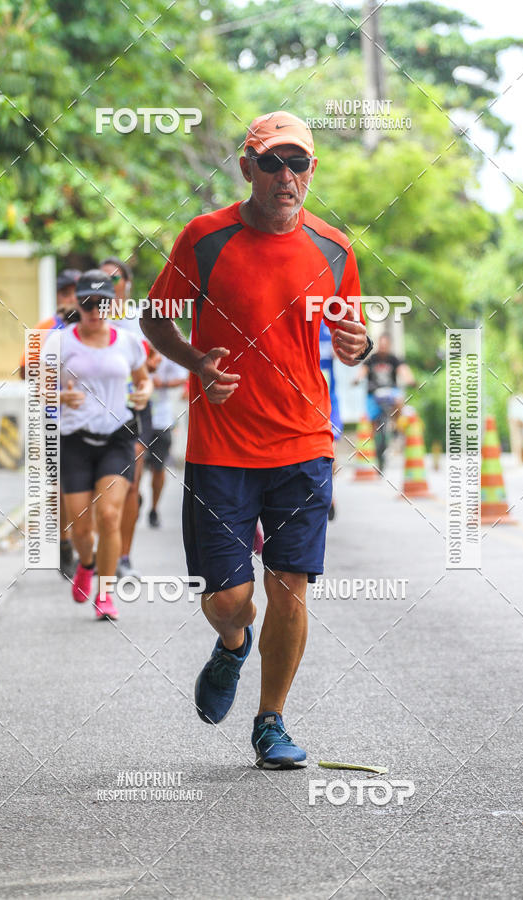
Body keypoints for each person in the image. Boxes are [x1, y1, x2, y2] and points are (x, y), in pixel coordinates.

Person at [141, 111, 371, 769]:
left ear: (311, 172)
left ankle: (271, 721)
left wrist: (362, 344)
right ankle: (233, 643)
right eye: (271, 163)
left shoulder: (334, 249)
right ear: (247, 168)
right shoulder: (205, 239)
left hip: (304, 445)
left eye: (297, 163)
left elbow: (351, 336)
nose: (285, 176)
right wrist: (194, 361)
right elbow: (155, 321)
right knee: (228, 599)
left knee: (291, 586)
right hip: (221, 450)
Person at [47, 269, 152, 620]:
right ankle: (86, 565)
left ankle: (105, 594)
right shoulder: (60, 343)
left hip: (117, 438)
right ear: (77, 304)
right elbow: (38, 388)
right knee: (81, 528)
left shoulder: (128, 342)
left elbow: (143, 379)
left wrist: (143, 392)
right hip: (75, 441)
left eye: (101, 303)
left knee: (109, 515)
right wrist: (61, 396)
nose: (94, 310)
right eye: (88, 303)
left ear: (113, 304)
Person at [20, 268, 81, 579]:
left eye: (76, 292)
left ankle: (87, 543)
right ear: (59, 296)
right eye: (66, 292)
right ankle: (64, 541)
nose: (71, 298)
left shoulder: (94, 326)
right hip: (54, 419)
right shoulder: (46, 328)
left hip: (91, 421)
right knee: (60, 486)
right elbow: (24, 370)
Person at [99, 257, 153, 578]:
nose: (107, 286)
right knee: (98, 487)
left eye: (114, 280)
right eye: (101, 279)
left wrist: (149, 372)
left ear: (127, 285)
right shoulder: (83, 319)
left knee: (131, 482)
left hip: (133, 408)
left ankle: (123, 556)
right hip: (92, 410)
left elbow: (156, 359)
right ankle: (96, 543)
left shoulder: (138, 319)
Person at [356, 332, 415, 470]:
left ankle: (396, 428)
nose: (383, 347)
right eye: (381, 344)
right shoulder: (371, 360)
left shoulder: (394, 359)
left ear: (388, 345)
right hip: (373, 394)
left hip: (390, 392)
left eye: (385, 345)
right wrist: (357, 379)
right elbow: (362, 371)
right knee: (372, 422)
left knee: (399, 399)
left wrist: (410, 380)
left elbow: (404, 371)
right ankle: (376, 445)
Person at [146, 353, 188, 527]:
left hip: (161, 419)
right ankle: (134, 496)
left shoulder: (166, 343)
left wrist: (162, 383)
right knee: (133, 466)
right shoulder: (133, 339)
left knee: (158, 468)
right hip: (135, 418)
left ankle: (154, 508)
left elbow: (183, 378)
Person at [319, 319, 343, 521]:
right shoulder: (295, 320)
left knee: (330, 450)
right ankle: (324, 494)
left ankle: (329, 493)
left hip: (329, 399)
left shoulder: (329, 324)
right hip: (303, 400)